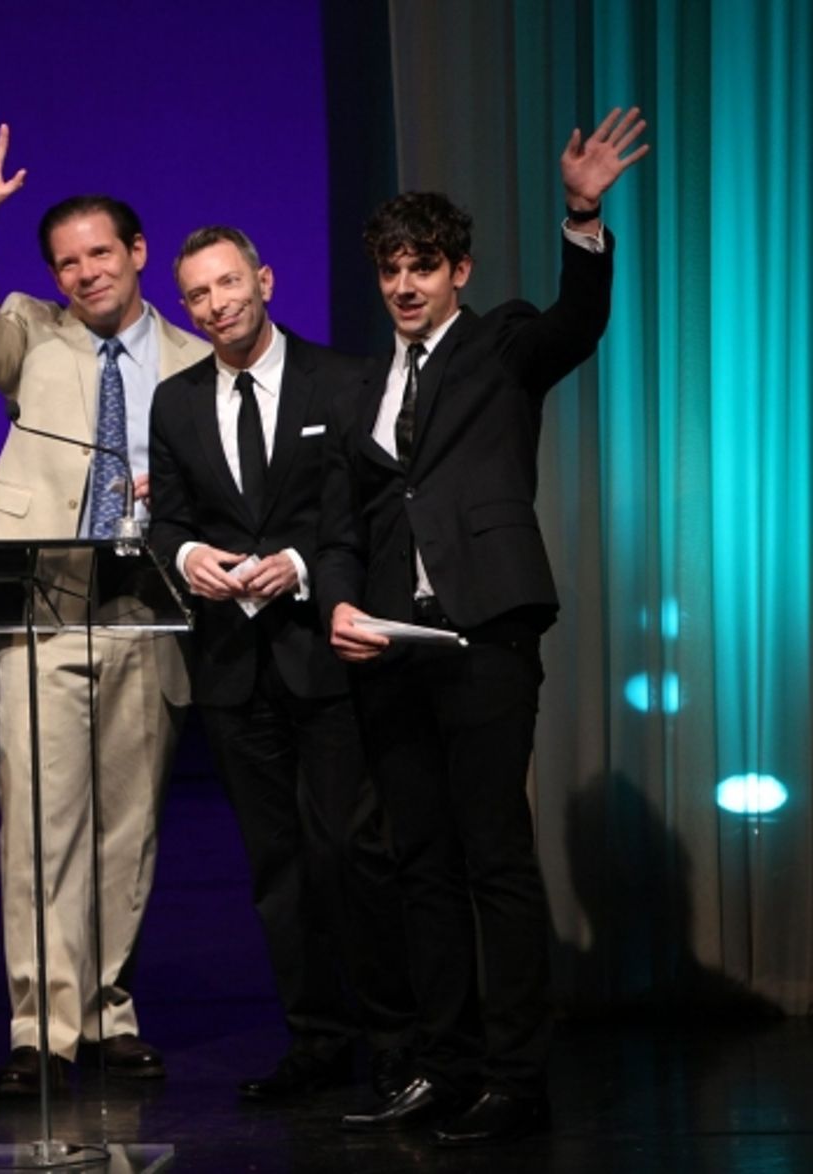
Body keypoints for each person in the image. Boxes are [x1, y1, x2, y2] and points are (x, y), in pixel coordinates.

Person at [321, 108, 649, 1146]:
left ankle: (514, 1076)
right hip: (387, 645)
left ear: (457, 269)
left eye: (422, 266)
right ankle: (440, 1062)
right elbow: (345, 519)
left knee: (491, 857)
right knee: (415, 861)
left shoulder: (503, 342)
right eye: (389, 270)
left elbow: (578, 321)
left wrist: (581, 214)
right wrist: (336, 600)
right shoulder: (364, 384)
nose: (404, 285)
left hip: (483, 633)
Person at [0, 117, 210, 1096]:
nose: (86, 272)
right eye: (67, 261)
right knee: (40, 821)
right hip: (44, 596)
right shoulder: (30, 333)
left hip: (147, 606)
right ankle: (39, 1026)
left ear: (137, 254)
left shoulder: (191, 355)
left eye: (102, 253)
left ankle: (106, 1011)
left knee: (125, 823)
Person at [148, 226, 413, 1102]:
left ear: (264, 278)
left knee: (352, 851)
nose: (218, 304)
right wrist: (192, 561)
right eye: (198, 295)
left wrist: (298, 564)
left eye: (229, 284)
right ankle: (316, 1041)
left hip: (324, 655)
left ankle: (396, 1039)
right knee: (277, 865)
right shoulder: (176, 400)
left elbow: (366, 515)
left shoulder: (341, 380)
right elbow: (167, 521)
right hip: (231, 665)